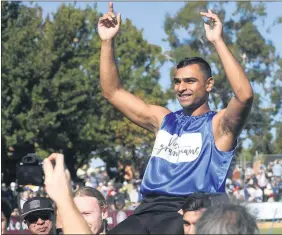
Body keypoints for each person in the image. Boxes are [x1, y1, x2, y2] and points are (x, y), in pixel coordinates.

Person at [98, 2, 253, 234]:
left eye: (190, 81)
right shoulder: (163, 119)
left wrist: (217, 41)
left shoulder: (219, 126)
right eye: (177, 81)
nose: (181, 87)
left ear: (208, 84)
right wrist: (107, 41)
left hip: (189, 210)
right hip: (148, 209)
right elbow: (113, 92)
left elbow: (244, 95)